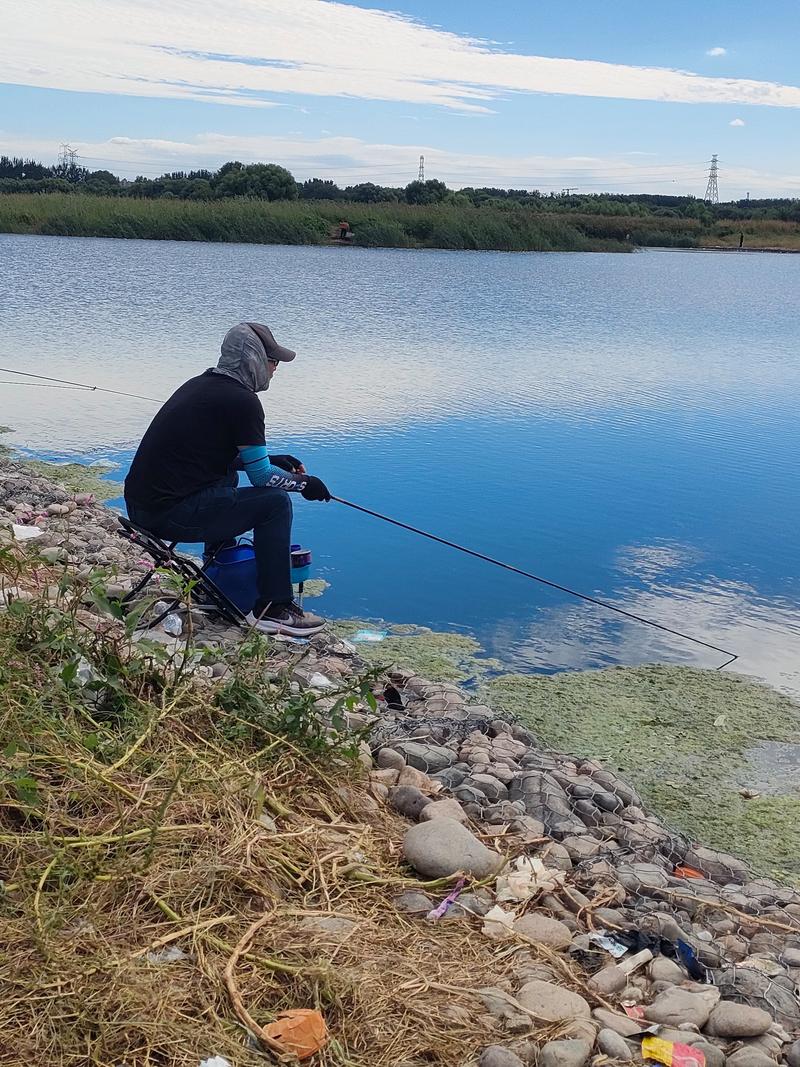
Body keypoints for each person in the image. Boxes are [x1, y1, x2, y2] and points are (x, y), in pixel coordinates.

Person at [124, 322, 331, 637]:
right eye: (272, 360)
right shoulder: (243, 401)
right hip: (168, 515)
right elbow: (262, 478)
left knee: (229, 474)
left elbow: (210, 455)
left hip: (142, 508)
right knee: (275, 503)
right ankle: (274, 609)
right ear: (252, 358)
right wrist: (306, 484)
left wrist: (273, 459)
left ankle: (218, 577)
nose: (275, 368)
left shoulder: (200, 384)